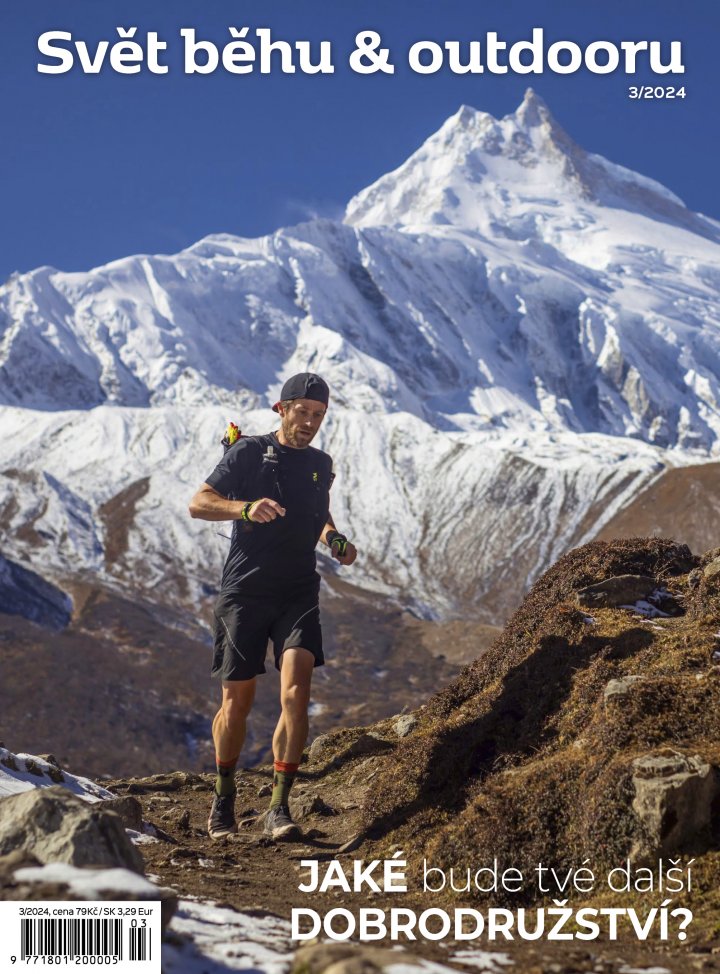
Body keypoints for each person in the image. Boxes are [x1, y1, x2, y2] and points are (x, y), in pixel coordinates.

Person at [188, 373, 357, 840]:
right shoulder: (247, 452)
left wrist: (335, 539)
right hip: (244, 592)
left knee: (296, 694)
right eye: (301, 412)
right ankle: (223, 798)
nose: (309, 422)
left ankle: (279, 807)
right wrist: (244, 508)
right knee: (236, 703)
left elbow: (317, 512)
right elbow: (199, 503)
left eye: (318, 415)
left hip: (298, 591)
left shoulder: (321, 464)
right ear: (281, 409)